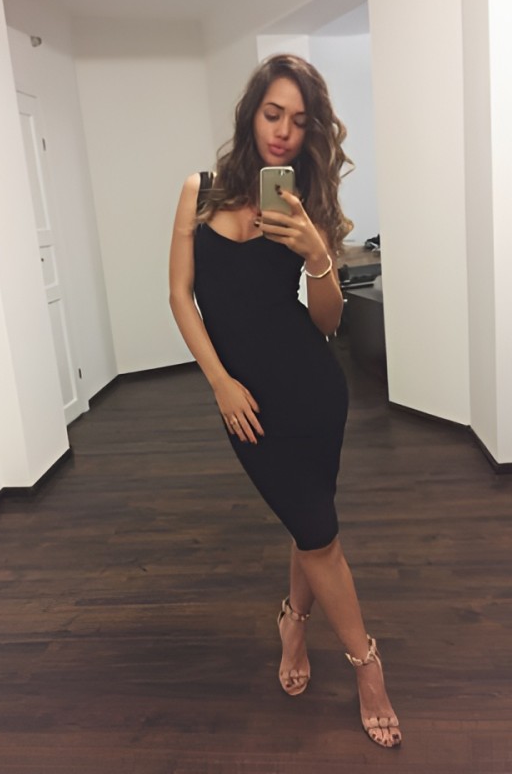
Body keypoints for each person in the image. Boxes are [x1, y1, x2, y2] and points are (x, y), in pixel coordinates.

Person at [168, 54, 401, 749]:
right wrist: (218, 381)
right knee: (315, 529)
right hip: (246, 403)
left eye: (299, 121)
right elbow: (180, 295)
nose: (283, 131)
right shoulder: (200, 191)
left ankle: (324, 643)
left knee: (314, 529)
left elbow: (326, 323)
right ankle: (347, 653)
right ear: (252, 114)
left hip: (313, 391)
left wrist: (316, 254)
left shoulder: (305, 205)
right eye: (273, 114)